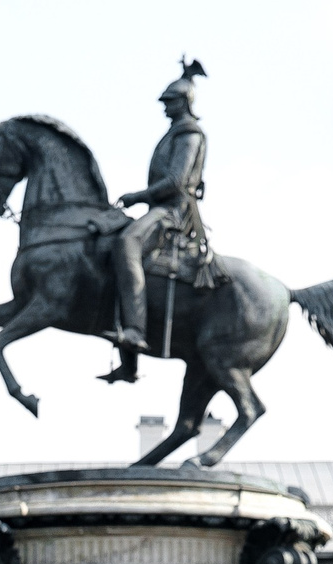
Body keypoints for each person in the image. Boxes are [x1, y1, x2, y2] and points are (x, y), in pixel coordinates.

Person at [110, 60, 209, 356]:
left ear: (185, 102)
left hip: (172, 212)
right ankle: (127, 357)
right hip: (158, 208)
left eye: (171, 102)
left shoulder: (189, 134)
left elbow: (177, 181)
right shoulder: (175, 132)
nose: (165, 107)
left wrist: (138, 196)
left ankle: (136, 329)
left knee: (127, 242)